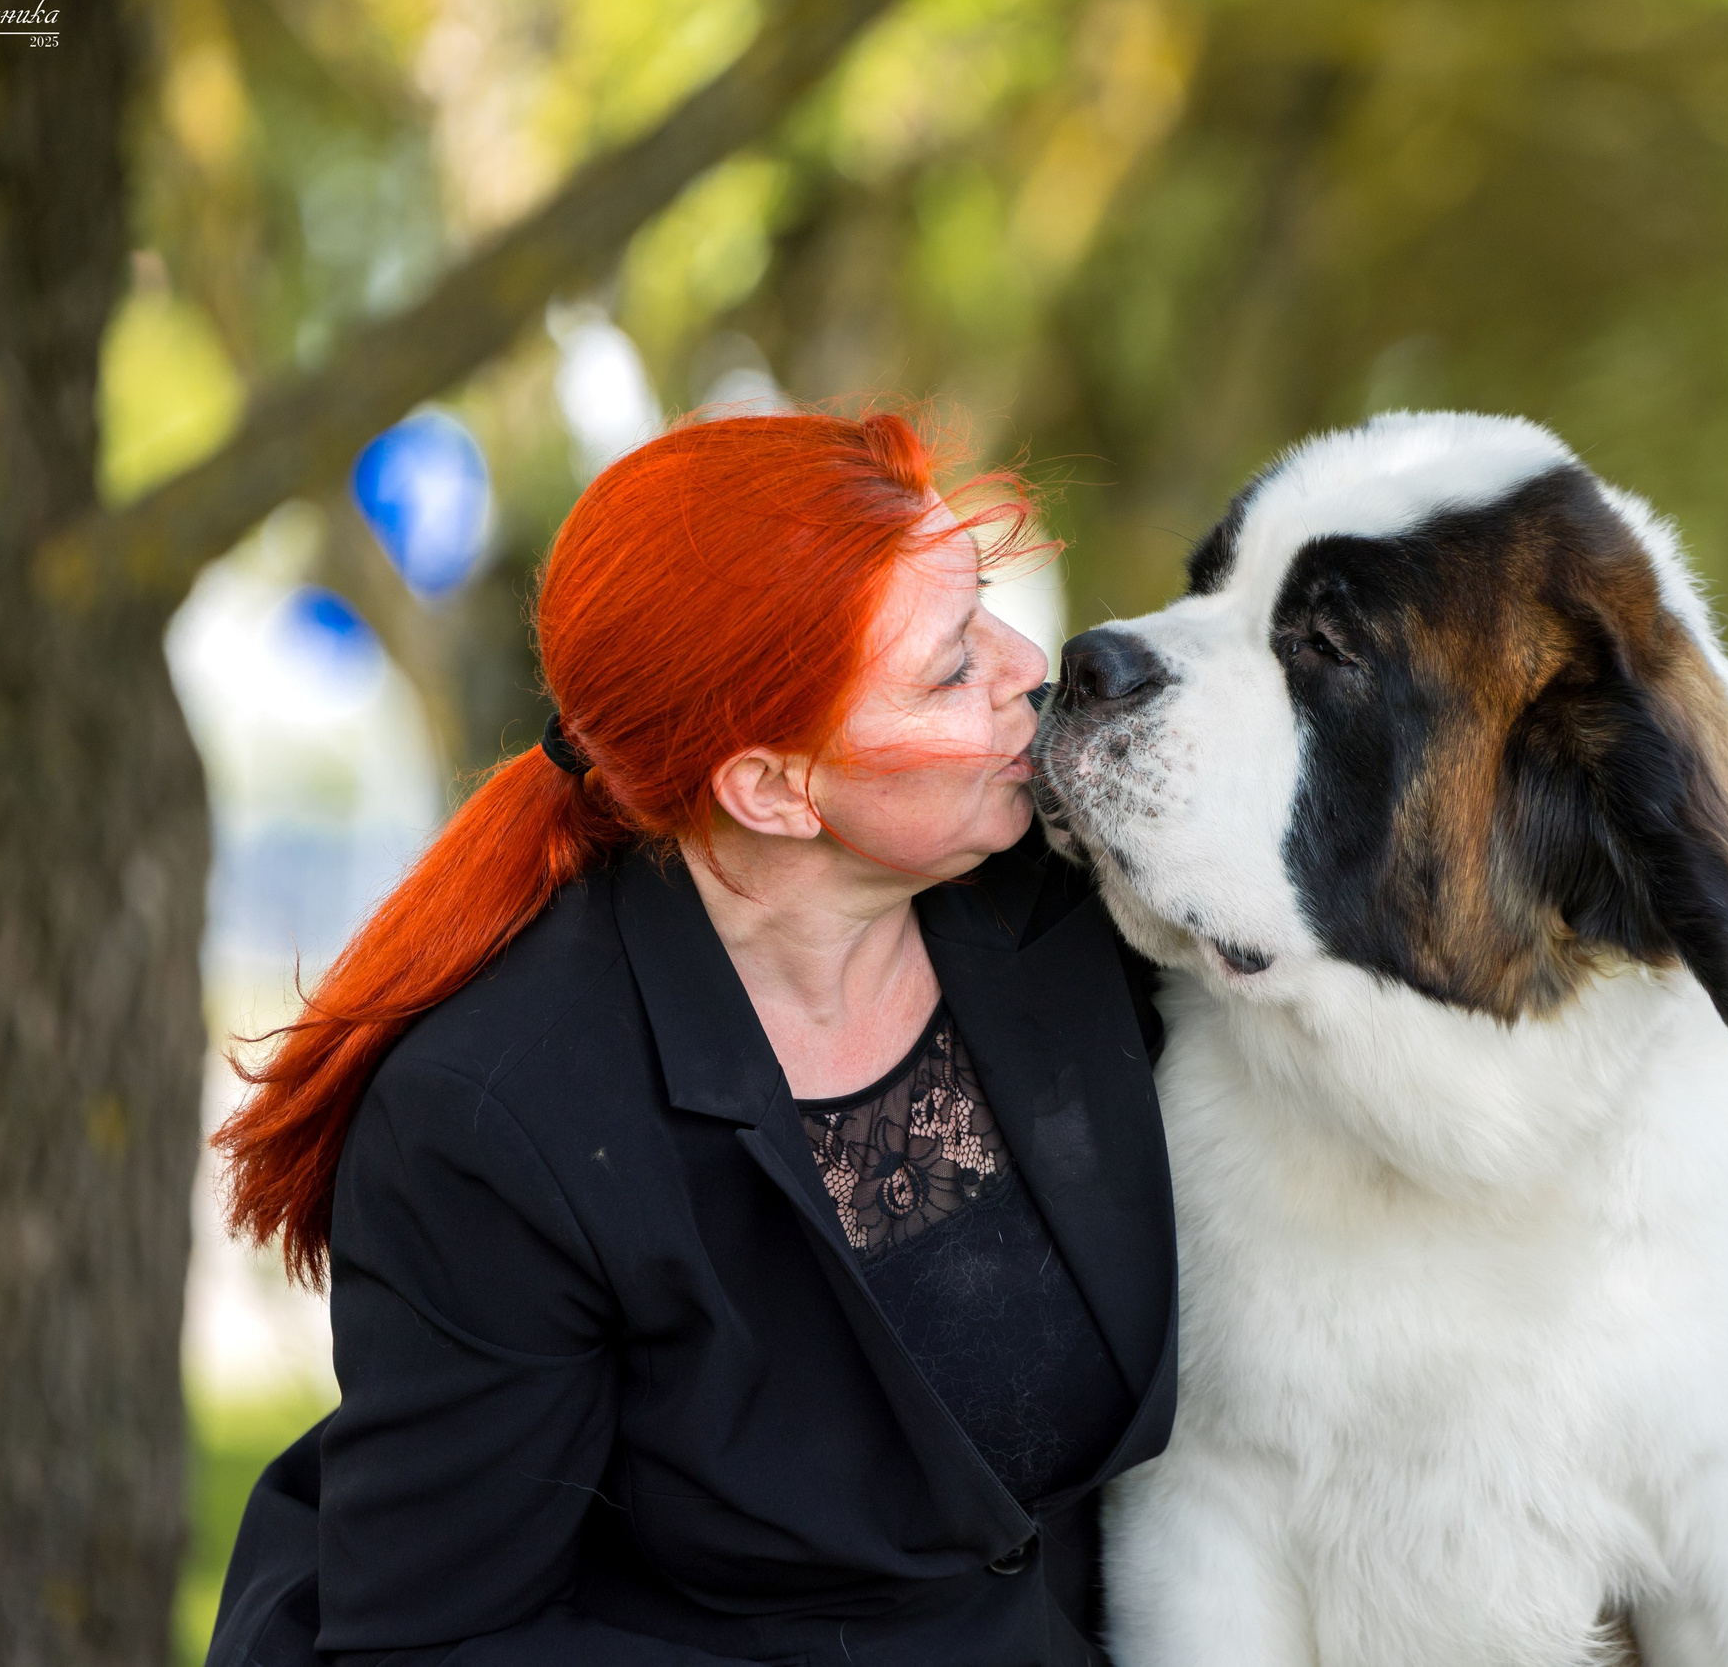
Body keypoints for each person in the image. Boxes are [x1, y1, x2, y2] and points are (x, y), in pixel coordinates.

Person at [205, 411, 1173, 1667]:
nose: (1026, 663)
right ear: (771, 786)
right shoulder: (499, 1116)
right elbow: (439, 1641)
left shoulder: (1075, 901)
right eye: (948, 667)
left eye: (984, 601)